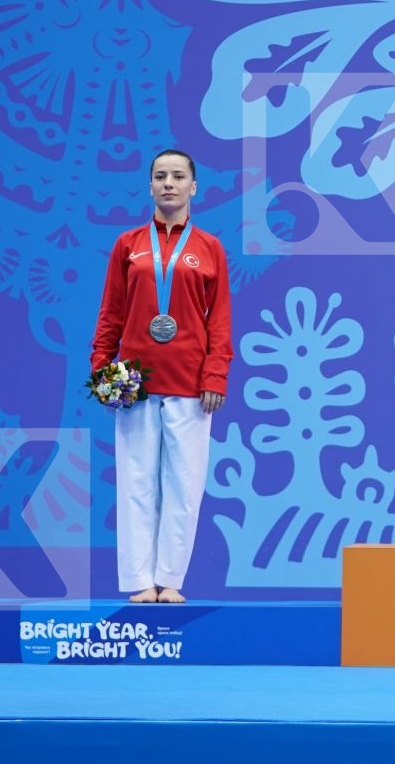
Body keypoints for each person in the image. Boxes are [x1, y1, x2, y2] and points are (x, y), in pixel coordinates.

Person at [91, 150, 232, 603]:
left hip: (192, 385)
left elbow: (220, 321)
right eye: (159, 176)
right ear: (149, 186)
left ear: (194, 187)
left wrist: (215, 375)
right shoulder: (127, 245)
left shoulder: (209, 247)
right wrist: (102, 370)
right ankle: (139, 582)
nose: (168, 183)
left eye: (177, 176)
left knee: (184, 489)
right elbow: (111, 311)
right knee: (135, 485)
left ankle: (170, 581)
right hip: (133, 382)